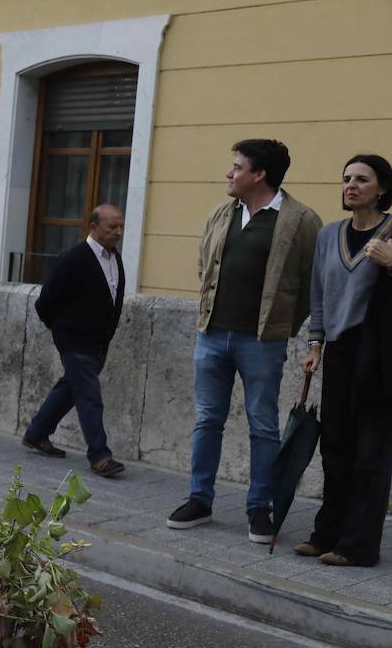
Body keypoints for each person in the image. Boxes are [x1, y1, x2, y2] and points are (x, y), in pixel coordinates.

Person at [167, 140, 322, 542]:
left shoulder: (301, 220)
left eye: (237, 167)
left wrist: (285, 326)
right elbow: (204, 263)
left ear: (259, 175)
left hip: (262, 341)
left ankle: (259, 508)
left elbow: (310, 283)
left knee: (263, 426)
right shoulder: (223, 212)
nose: (229, 173)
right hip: (212, 334)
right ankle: (199, 499)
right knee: (207, 420)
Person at [295, 154, 392, 566]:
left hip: (381, 355)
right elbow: (318, 293)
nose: (351, 185)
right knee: (335, 446)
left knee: (371, 451)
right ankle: (326, 533)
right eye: (346, 178)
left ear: (382, 189)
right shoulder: (328, 235)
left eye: (362, 179)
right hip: (339, 352)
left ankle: (358, 546)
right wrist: (315, 344)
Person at [22, 205, 128, 478]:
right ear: (93, 227)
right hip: (75, 341)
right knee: (89, 396)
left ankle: (36, 433)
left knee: (70, 387)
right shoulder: (73, 258)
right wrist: (64, 331)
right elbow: (45, 302)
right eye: (111, 227)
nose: (118, 232)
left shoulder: (115, 258)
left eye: (120, 226)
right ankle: (100, 456)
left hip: (99, 342)